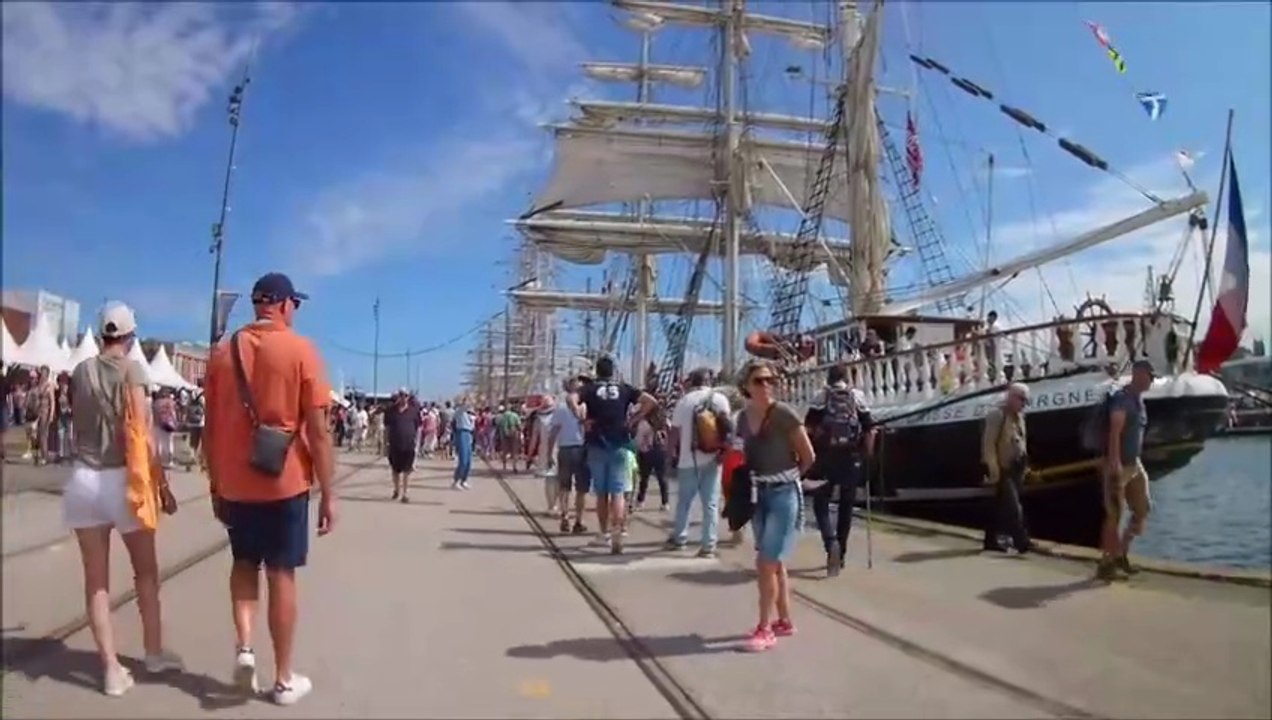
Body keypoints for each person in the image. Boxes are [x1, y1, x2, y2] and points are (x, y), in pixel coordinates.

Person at [203, 273, 335, 705]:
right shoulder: (301, 350)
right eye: (295, 303)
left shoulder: (222, 354)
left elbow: (210, 427)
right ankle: (282, 678)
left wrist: (215, 482)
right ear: (282, 304)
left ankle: (244, 649)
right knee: (281, 574)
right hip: (285, 483)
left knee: (243, 564)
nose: (295, 310)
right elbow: (318, 431)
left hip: (235, 484)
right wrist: (329, 493)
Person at [66, 303, 182, 696]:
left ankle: (111, 670)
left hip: (83, 479)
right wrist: (162, 484)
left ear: (102, 335)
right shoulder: (134, 370)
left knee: (95, 581)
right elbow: (143, 434)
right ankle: (152, 653)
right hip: (124, 482)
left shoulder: (80, 371)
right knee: (146, 573)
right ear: (130, 337)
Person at [735, 359, 815, 653]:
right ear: (746, 385)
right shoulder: (743, 418)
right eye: (759, 380)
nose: (767, 385)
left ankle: (763, 627)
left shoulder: (784, 414)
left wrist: (791, 478)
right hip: (759, 494)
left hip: (783, 493)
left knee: (765, 563)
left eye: (771, 380)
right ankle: (784, 620)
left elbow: (808, 456)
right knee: (776, 561)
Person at [576, 356, 657, 555]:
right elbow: (651, 401)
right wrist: (635, 418)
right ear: (612, 371)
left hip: (597, 443)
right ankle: (618, 531)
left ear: (597, 371)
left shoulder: (590, 389)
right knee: (618, 492)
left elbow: (571, 399)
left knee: (602, 493)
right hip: (620, 443)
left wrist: (581, 418)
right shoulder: (625, 388)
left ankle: (603, 533)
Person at [804, 363, 875, 576]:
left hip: (825, 457)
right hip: (851, 457)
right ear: (847, 378)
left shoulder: (821, 396)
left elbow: (807, 428)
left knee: (820, 503)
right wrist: (867, 455)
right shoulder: (857, 397)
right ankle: (841, 554)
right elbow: (870, 429)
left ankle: (830, 543)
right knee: (846, 505)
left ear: (828, 378)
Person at [1098, 360, 1155, 581]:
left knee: (1143, 509)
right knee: (1114, 515)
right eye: (1150, 376)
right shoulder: (1122, 400)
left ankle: (1121, 552)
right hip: (1119, 465)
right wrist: (1114, 461)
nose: (1152, 381)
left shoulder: (1139, 401)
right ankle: (1106, 562)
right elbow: (1114, 431)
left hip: (1134, 463)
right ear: (1139, 374)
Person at [666, 367, 731, 557]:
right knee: (710, 503)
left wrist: (670, 456)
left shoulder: (684, 401)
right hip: (714, 458)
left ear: (692, 382)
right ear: (709, 382)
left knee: (684, 502)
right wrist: (724, 452)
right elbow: (728, 429)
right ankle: (708, 546)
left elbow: (674, 433)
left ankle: (680, 538)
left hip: (688, 459)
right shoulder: (721, 400)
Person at [981, 383, 1032, 554]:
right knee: (1014, 507)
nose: (1023, 404)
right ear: (1011, 397)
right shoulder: (997, 415)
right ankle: (1022, 542)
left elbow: (1022, 441)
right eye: (1021, 399)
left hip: (1016, 467)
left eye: (1025, 400)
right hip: (1002, 468)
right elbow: (989, 444)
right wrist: (994, 470)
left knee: (998, 505)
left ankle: (990, 540)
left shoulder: (1020, 417)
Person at [548, 376, 590, 534]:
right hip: (581, 448)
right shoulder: (587, 405)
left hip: (565, 449)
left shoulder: (560, 407)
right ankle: (578, 520)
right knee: (581, 488)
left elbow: (553, 432)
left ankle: (565, 517)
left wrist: (550, 453)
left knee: (564, 486)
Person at [384, 389, 421, 503]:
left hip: (409, 444)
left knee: (407, 470)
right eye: (401, 395)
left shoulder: (414, 411)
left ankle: (405, 493)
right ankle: (396, 489)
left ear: (408, 397)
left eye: (405, 395)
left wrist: (418, 443)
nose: (403, 397)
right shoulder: (391, 411)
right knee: (395, 470)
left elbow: (418, 428)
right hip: (395, 444)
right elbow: (387, 428)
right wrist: (385, 443)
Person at [451, 400, 476, 489]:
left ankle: (464, 480)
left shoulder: (470, 415)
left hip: (468, 434)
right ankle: (456, 481)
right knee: (463, 460)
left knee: (469, 461)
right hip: (461, 433)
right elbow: (464, 406)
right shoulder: (459, 412)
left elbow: (472, 426)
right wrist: (467, 400)